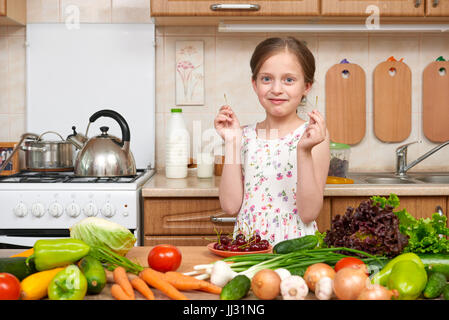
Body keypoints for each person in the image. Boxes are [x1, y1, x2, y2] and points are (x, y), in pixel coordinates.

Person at [214, 37, 330, 246]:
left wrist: (303, 151)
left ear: (307, 86)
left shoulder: (313, 136)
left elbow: (308, 213)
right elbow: (230, 207)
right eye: (267, 79)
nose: (276, 89)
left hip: (296, 252)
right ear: (254, 84)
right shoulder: (242, 136)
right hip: (248, 248)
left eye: (289, 80)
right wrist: (232, 143)